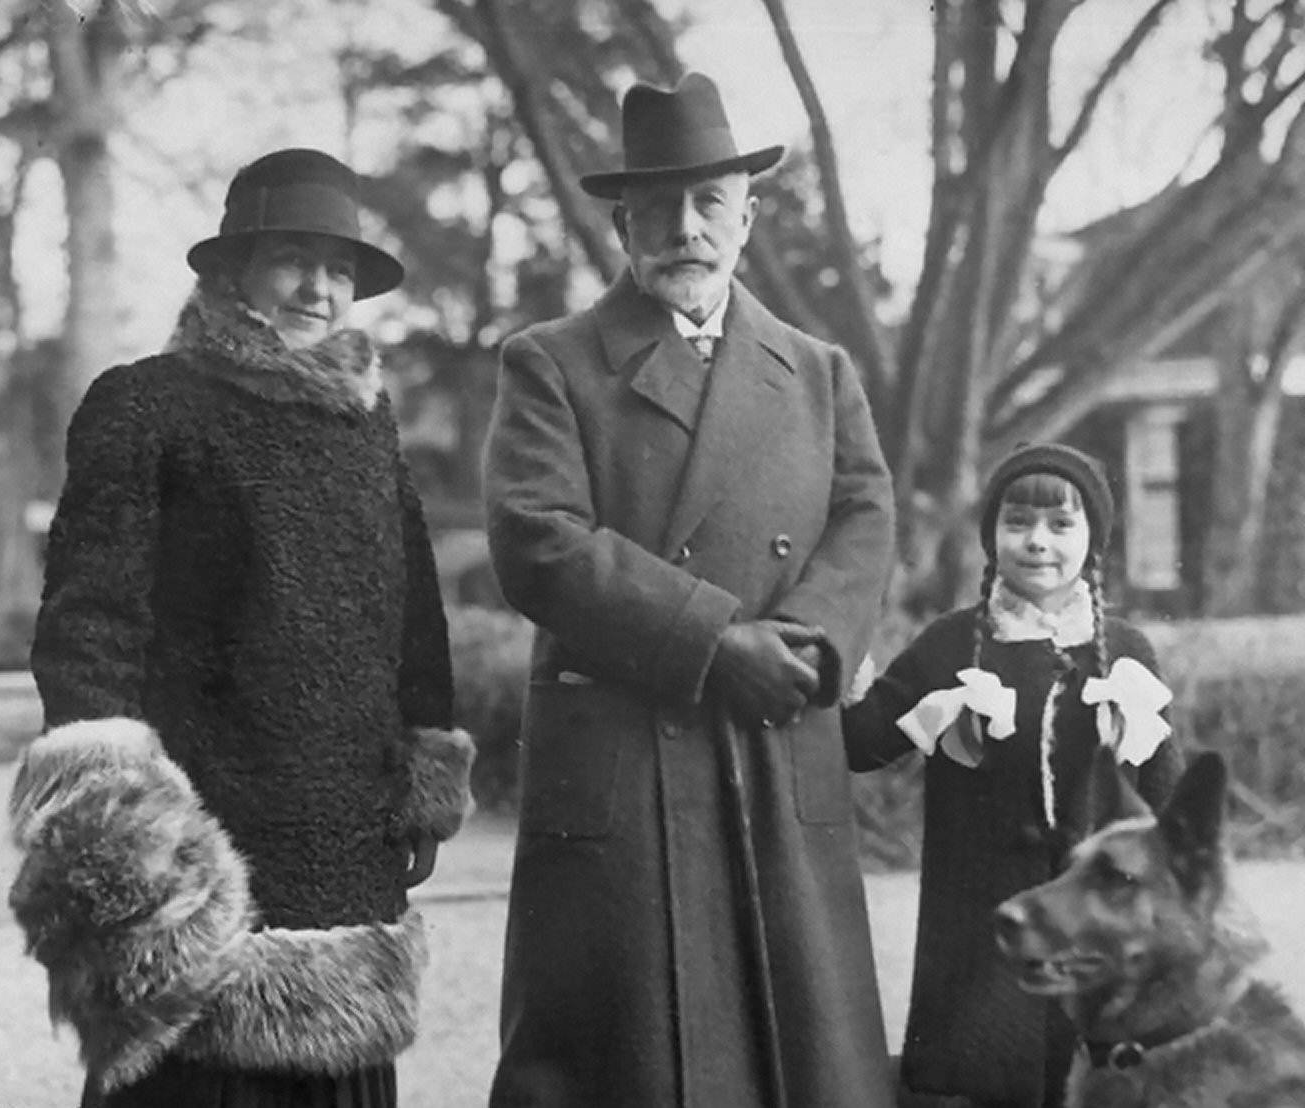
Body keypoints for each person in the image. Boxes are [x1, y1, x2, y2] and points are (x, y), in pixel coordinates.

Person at [6, 147, 475, 1108]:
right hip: (201, 851)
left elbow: (414, 616)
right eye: (295, 259)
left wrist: (421, 783)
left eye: (341, 269)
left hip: (345, 849)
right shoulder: (146, 405)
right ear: (234, 273)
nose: (320, 288)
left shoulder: (369, 427)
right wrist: (123, 841)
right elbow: (88, 625)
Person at [481, 72, 898, 1108]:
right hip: (626, 753)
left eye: (708, 202)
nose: (684, 229)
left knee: (797, 1057)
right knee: (627, 1060)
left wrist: (801, 641)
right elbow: (536, 539)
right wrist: (714, 643)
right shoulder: (551, 363)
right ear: (622, 222)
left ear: (745, 218)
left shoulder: (815, 369)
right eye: (657, 207)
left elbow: (865, 514)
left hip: (774, 735)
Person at [842, 442, 1185, 1108]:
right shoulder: (949, 644)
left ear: (1092, 542)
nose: (1037, 542)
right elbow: (864, 744)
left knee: (1097, 1076)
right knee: (986, 1078)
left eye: (1061, 525)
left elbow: (1167, 797)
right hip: (978, 927)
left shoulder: (1126, 653)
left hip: (1096, 927)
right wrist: (847, 672)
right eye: (1017, 523)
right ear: (993, 536)